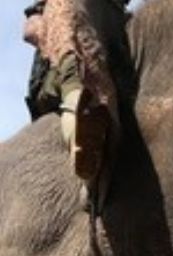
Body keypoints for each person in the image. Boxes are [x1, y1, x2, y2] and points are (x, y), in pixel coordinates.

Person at [22, 0, 113, 182]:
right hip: (59, 73)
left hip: (96, 50)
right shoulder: (53, 9)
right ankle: (81, 144)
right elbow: (29, 31)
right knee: (72, 78)